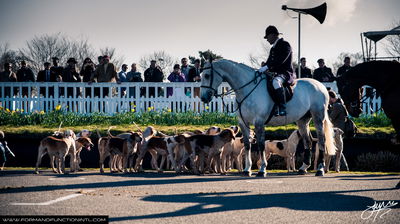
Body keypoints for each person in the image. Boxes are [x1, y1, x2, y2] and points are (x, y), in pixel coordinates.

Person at [258, 25, 295, 116]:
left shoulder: (285, 45)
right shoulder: (273, 48)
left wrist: (267, 67)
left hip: (286, 73)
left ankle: (282, 107)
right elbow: (269, 62)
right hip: (275, 73)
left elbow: (281, 60)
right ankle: (273, 105)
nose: (267, 39)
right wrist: (262, 68)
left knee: (276, 82)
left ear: (273, 35)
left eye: (267, 37)